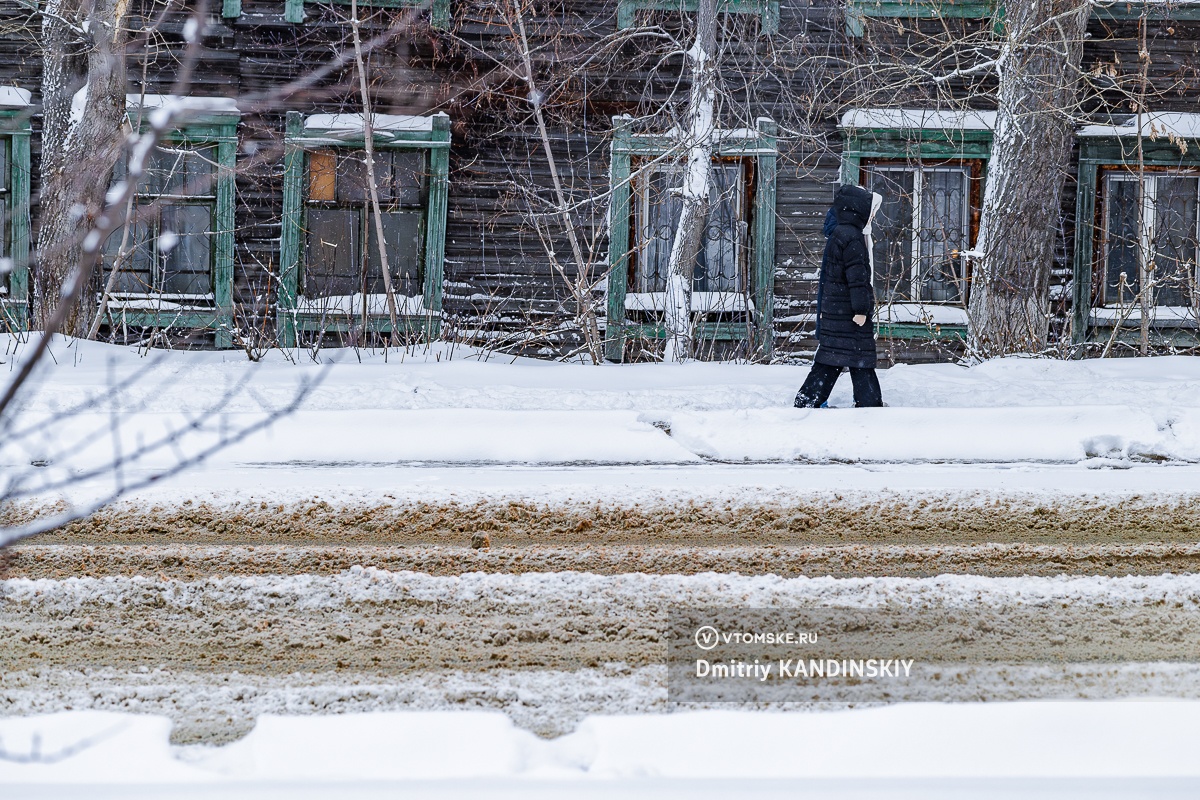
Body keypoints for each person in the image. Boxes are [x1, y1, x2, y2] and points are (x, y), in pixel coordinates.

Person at [794, 184, 884, 409]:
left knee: (839, 356)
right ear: (858, 209)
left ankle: (813, 399)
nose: (873, 215)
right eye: (871, 210)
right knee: (850, 357)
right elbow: (857, 277)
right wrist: (861, 309)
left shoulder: (843, 233)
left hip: (838, 310)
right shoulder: (851, 236)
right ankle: (867, 404)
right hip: (848, 312)